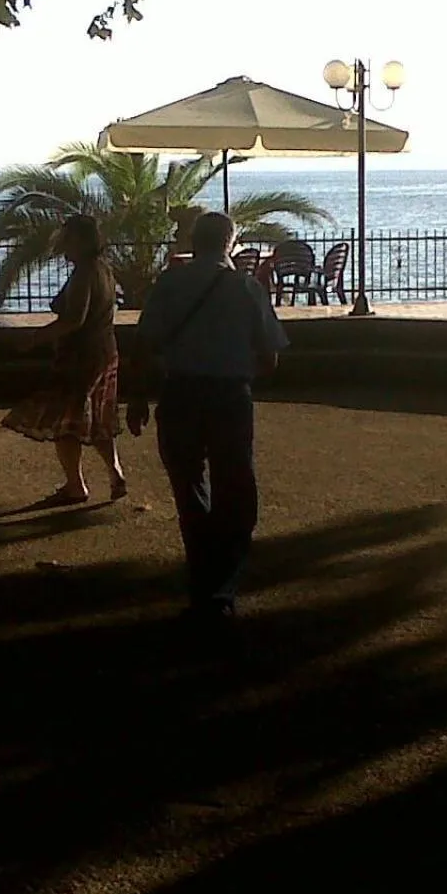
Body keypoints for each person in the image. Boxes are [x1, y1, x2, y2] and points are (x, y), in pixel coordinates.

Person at [126, 211, 288, 622]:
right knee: (235, 490)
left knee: (189, 488)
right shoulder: (246, 288)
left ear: (193, 241)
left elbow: (144, 345)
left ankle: (202, 578)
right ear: (230, 243)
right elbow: (269, 360)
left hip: (179, 393)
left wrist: (139, 398)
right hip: (229, 397)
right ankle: (222, 587)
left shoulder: (170, 283)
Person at [4, 214, 127, 504]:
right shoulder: (104, 269)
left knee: (66, 422)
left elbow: (73, 319)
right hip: (105, 350)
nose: (62, 244)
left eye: (67, 238)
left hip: (80, 357)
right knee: (96, 418)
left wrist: (35, 338)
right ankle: (115, 473)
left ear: (80, 241)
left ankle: (76, 485)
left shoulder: (85, 272)